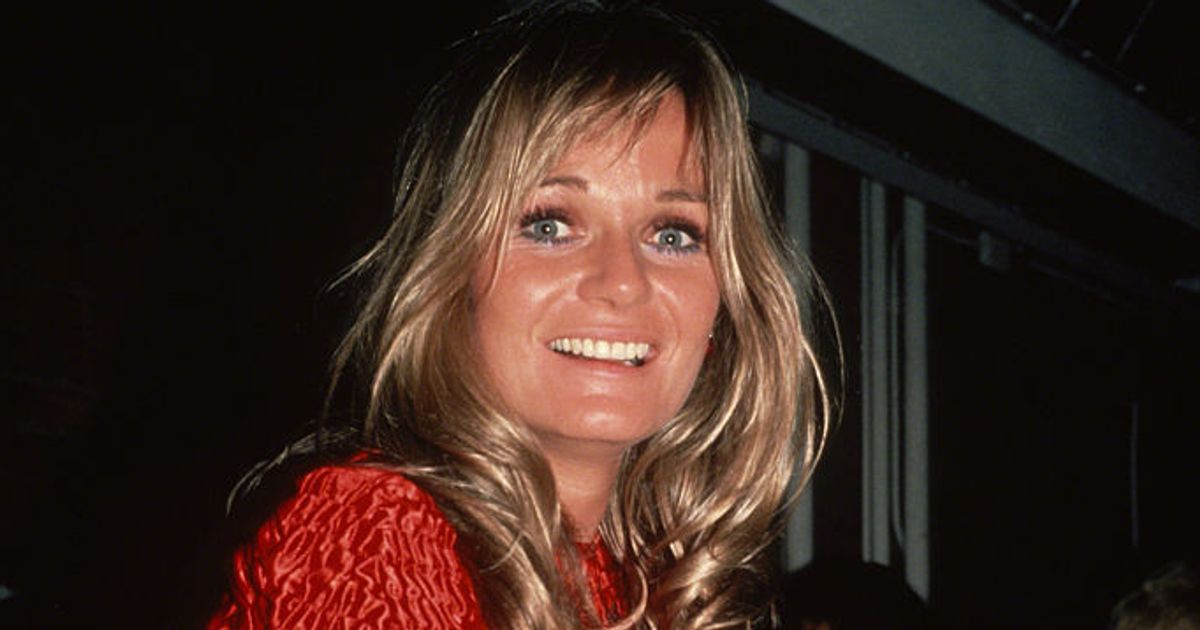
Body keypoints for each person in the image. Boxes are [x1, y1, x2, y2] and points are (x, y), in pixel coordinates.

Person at [208, 1, 834, 627]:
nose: (623, 283)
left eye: (673, 235)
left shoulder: (643, 588)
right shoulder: (376, 531)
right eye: (550, 225)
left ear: (722, 309)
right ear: (452, 274)